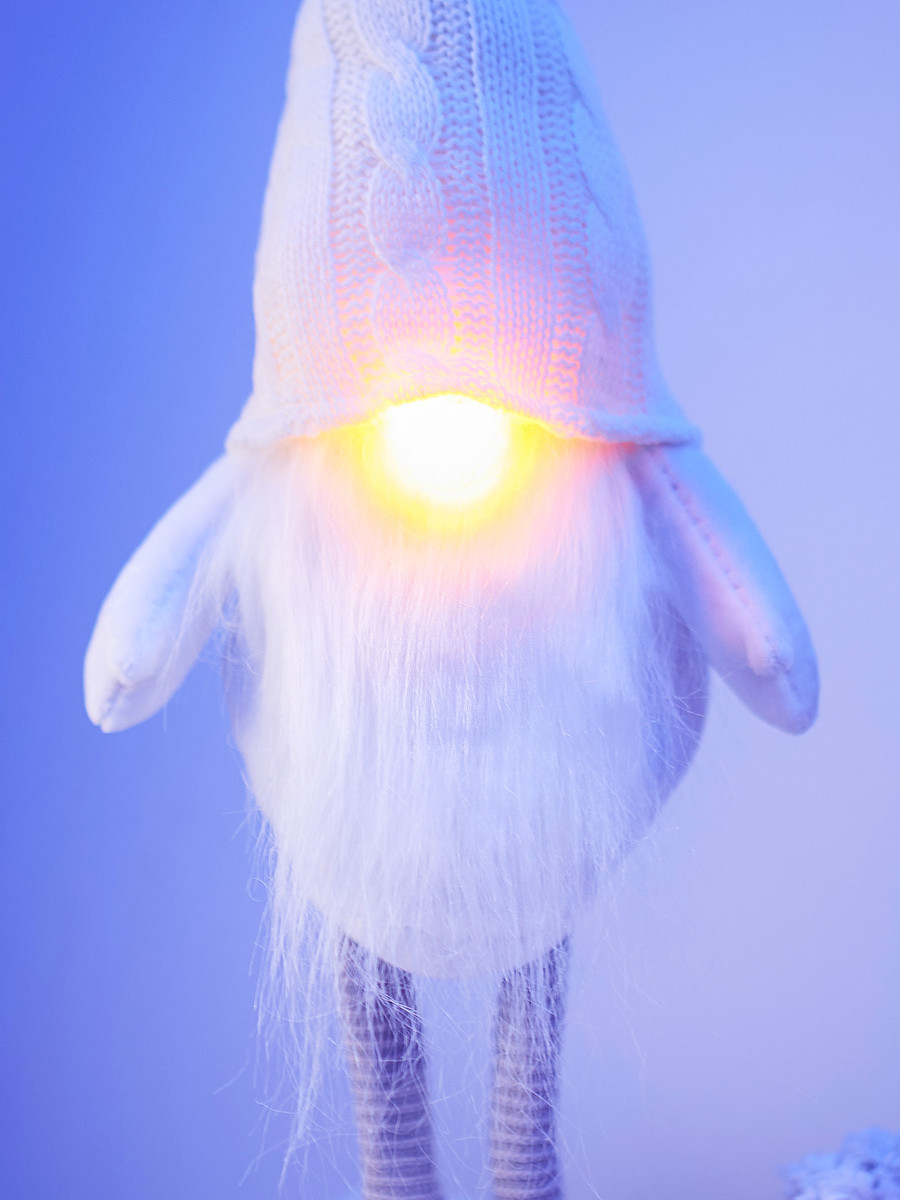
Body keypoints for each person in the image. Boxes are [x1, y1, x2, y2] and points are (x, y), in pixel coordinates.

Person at [85, 2, 818, 1196]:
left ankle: (526, 1165)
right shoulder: (297, 440)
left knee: (544, 854)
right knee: (358, 870)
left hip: (542, 686)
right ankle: (398, 1173)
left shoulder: (605, 430)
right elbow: (128, 661)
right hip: (363, 684)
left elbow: (773, 658)